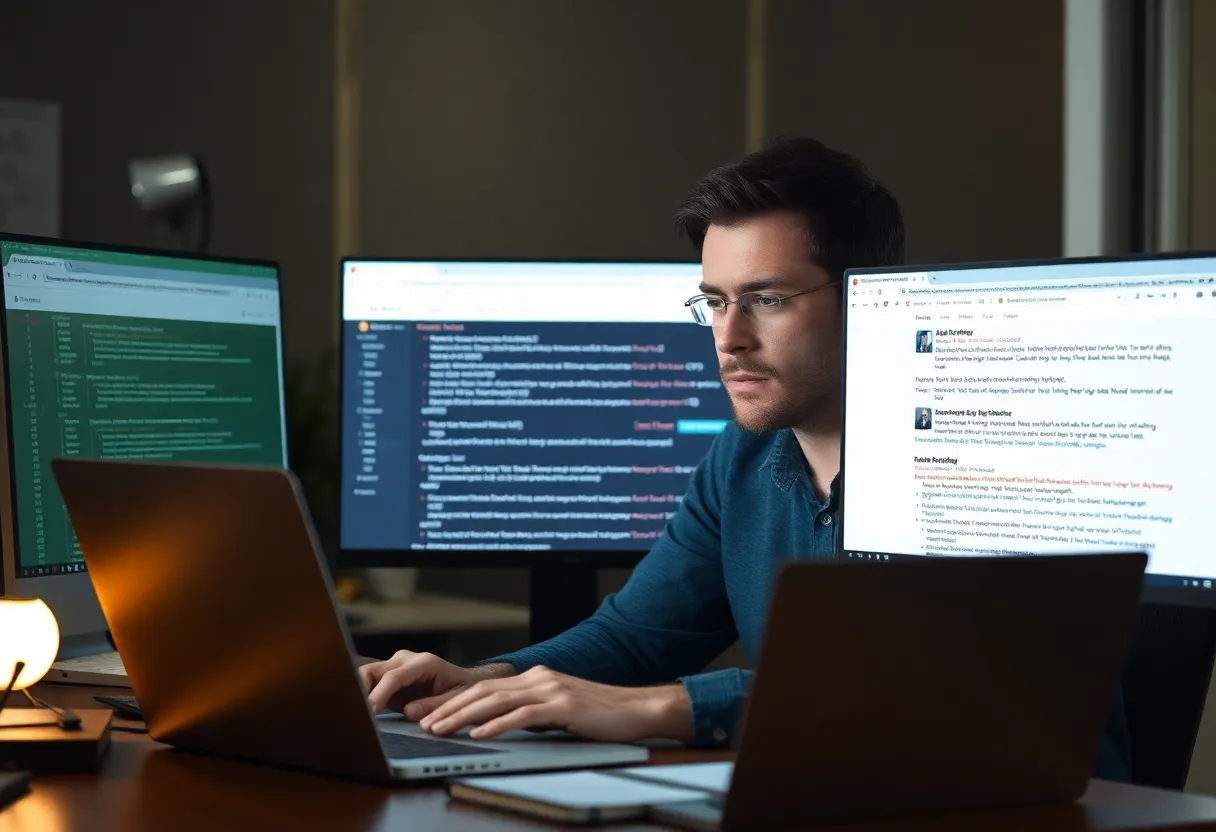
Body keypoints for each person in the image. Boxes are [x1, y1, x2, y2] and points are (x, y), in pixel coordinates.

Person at [357, 137, 1132, 780]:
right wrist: (489, 682)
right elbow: (634, 638)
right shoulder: (747, 455)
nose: (729, 339)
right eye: (714, 301)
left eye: (766, 300)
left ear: (870, 294)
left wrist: (676, 708)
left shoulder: (978, 454)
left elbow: (926, 693)